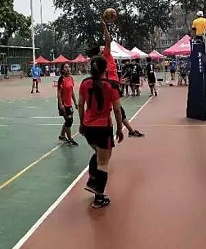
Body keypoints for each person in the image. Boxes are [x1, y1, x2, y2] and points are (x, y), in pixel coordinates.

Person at [78, 55, 124, 208]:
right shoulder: (111, 86)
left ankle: (92, 181)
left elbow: (80, 105)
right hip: (103, 127)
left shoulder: (84, 83)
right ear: (106, 68)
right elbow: (117, 109)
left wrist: (81, 123)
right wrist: (120, 128)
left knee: (98, 154)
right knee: (104, 162)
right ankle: (99, 197)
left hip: (88, 127)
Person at [89, 20, 144, 137]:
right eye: (102, 47)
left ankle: (130, 130)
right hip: (110, 84)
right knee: (115, 109)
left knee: (117, 109)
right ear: (100, 51)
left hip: (112, 83)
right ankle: (113, 131)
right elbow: (108, 40)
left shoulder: (105, 57)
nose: (104, 47)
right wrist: (104, 27)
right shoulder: (105, 54)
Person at [57, 63, 78, 146]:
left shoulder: (71, 79)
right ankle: (70, 139)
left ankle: (62, 136)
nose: (68, 68)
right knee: (69, 121)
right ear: (62, 70)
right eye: (65, 67)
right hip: (63, 104)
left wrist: (75, 102)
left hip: (69, 104)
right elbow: (59, 93)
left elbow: (71, 91)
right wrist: (61, 104)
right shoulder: (61, 79)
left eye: (68, 67)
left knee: (68, 121)